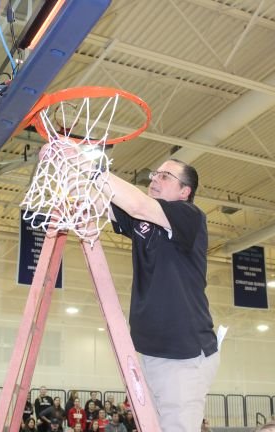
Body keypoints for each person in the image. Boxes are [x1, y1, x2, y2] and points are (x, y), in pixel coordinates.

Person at [93, 158, 220, 432]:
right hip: (151, 348)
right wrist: (67, 167)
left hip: (184, 351)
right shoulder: (144, 221)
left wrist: (91, 168)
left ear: (185, 191)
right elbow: (103, 203)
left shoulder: (189, 215)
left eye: (165, 176)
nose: (154, 179)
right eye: (155, 174)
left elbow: (136, 203)